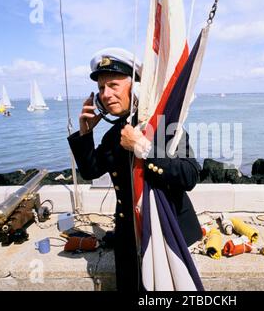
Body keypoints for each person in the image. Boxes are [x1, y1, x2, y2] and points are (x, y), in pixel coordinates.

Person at [67, 48, 203, 291]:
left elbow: (190, 175)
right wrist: (85, 133)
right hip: (130, 238)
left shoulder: (163, 124)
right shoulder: (113, 135)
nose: (106, 94)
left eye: (113, 85)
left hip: (169, 234)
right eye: (101, 89)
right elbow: (90, 171)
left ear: (136, 88)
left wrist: (142, 146)